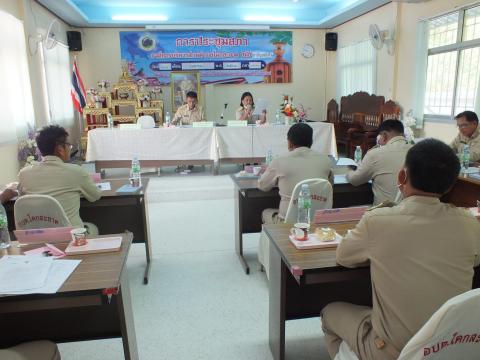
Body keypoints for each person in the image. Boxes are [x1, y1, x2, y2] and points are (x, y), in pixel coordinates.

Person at [321, 139, 480, 360]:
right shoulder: (470, 224)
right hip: (448, 346)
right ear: (451, 186)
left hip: (394, 351)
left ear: (402, 176)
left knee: (329, 313)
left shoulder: (378, 221)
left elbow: (344, 256)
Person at [257, 123, 333, 276]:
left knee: (265, 212)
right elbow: (328, 185)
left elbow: (262, 186)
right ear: (311, 141)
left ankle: (267, 264)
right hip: (317, 221)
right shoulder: (326, 160)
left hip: (287, 222)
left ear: (290, 142)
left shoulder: (280, 161)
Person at [18, 125, 101, 232]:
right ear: (60, 149)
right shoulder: (76, 172)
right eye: (68, 145)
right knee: (93, 228)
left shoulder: (24, 174)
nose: (69, 149)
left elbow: (22, 198)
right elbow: (95, 196)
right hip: (72, 238)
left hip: (39, 237)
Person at [346, 119, 412, 205]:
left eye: (380, 135)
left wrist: (348, 171)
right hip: (413, 211)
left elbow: (355, 180)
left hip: (384, 213)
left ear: (384, 135)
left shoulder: (375, 153)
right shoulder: (418, 151)